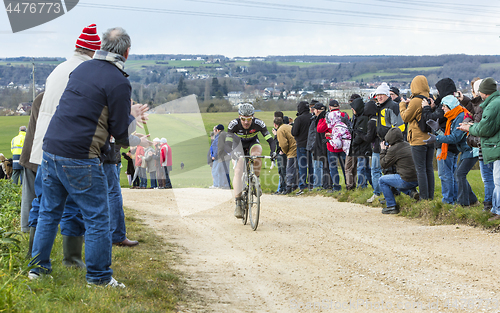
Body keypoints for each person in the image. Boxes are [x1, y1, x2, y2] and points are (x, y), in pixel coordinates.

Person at [29, 27, 150, 287]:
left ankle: (37, 269)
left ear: (102, 46)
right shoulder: (119, 81)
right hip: (80, 156)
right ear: (127, 52)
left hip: (50, 149)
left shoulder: (81, 70)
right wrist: (135, 127)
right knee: (97, 217)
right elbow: (119, 133)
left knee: (49, 212)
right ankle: (98, 277)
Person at [27, 24, 103, 266]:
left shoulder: (58, 69)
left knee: (43, 204)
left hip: (44, 148)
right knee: (72, 205)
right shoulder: (86, 72)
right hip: (69, 148)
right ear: (93, 51)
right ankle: (71, 259)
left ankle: (35, 257)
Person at [458, 78, 500, 220]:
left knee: (495, 180)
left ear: (484, 92)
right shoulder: (492, 103)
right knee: (494, 179)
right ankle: (494, 208)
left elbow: (484, 128)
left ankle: (495, 209)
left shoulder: (493, 105)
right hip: (492, 146)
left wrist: (470, 128)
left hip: (493, 146)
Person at [425, 95, 477, 206]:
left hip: (470, 150)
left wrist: (437, 138)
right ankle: (472, 201)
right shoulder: (455, 116)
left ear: (450, 106)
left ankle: (463, 204)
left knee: (459, 175)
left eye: (444, 106)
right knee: (459, 175)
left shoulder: (460, 116)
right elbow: (452, 136)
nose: (442, 108)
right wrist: (438, 131)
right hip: (466, 150)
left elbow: (454, 138)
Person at [227, 103, 276, 218]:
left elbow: (270, 140)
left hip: (253, 143)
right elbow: (228, 144)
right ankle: (238, 203)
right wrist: (232, 154)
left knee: (257, 155)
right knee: (238, 171)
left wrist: (273, 151)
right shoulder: (233, 124)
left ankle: (256, 181)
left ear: (253, 117)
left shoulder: (258, 123)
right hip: (237, 145)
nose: (246, 122)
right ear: (239, 117)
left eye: (249, 119)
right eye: (243, 119)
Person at [399, 75, 435, 201]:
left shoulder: (415, 101)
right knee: (429, 168)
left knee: (420, 170)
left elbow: (405, 117)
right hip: (430, 138)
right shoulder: (430, 98)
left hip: (418, 140)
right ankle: (430, 196)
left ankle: (424, 198)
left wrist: (403, 105)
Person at [103, 139, 139, 246]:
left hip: (92, 155)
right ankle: (116, 235)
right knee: (113, 194)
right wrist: (135, 139)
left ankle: (86, 233)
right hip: (107, 158)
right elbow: (119, 137)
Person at [19, 93, 43, 233]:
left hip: (31, 152)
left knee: (31, 193)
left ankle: (28, 228)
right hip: (39, 153)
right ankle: (29, 228)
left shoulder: (40, 97)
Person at [379, 128, 419, 214]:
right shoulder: (407, 144)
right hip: (417, 179)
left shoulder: (393, 149)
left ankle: (391, 206)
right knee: (395, 180)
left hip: (407, 180)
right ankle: (412, 192)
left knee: (382, 180)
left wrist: (383, 150)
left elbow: (384, 164)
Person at [350, 98, 372, 189]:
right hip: (361, 147)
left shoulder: (362, 118)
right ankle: (374, 185)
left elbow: (360, 133)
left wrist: (354, 142)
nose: (352, 110)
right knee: (366, 168)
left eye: (353, 108)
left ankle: (361, 186)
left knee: (361, 167)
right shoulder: (359, 116)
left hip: (362, 147)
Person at [291, 101, 313, 193]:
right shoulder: (312, 117)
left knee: (302, 166)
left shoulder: (299, 119)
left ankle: (303, 186)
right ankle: (312, 184)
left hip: (301, 144)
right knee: (312, 165)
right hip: (312, 144)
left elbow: (294, 132)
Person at [312, 103, 332, 190]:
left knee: (322, 166)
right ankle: (326, 184)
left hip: (321, 145)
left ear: (317, 110)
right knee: (326, 166)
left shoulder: (321, 119)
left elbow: (319, 132)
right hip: (325, 144)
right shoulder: (327, 117)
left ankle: (323, 185)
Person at [210, 124, 230, 189]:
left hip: (222, 156)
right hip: (227, 155)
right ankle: (223, 185)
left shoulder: (220, 135)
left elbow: (220, 146)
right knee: (223, 170)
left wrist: (216, 155)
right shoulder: (225, 134)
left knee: (219, 170)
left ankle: (221, 185)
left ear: (218, 130)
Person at [272, 111, 287, 194]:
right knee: (281, 171)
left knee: (283, 171)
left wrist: (275, 134)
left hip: (281, 152)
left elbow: (281, 141)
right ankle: (281, 188)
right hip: (280, 151)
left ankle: (284, 188)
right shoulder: (283, 126)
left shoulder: (280, 128)